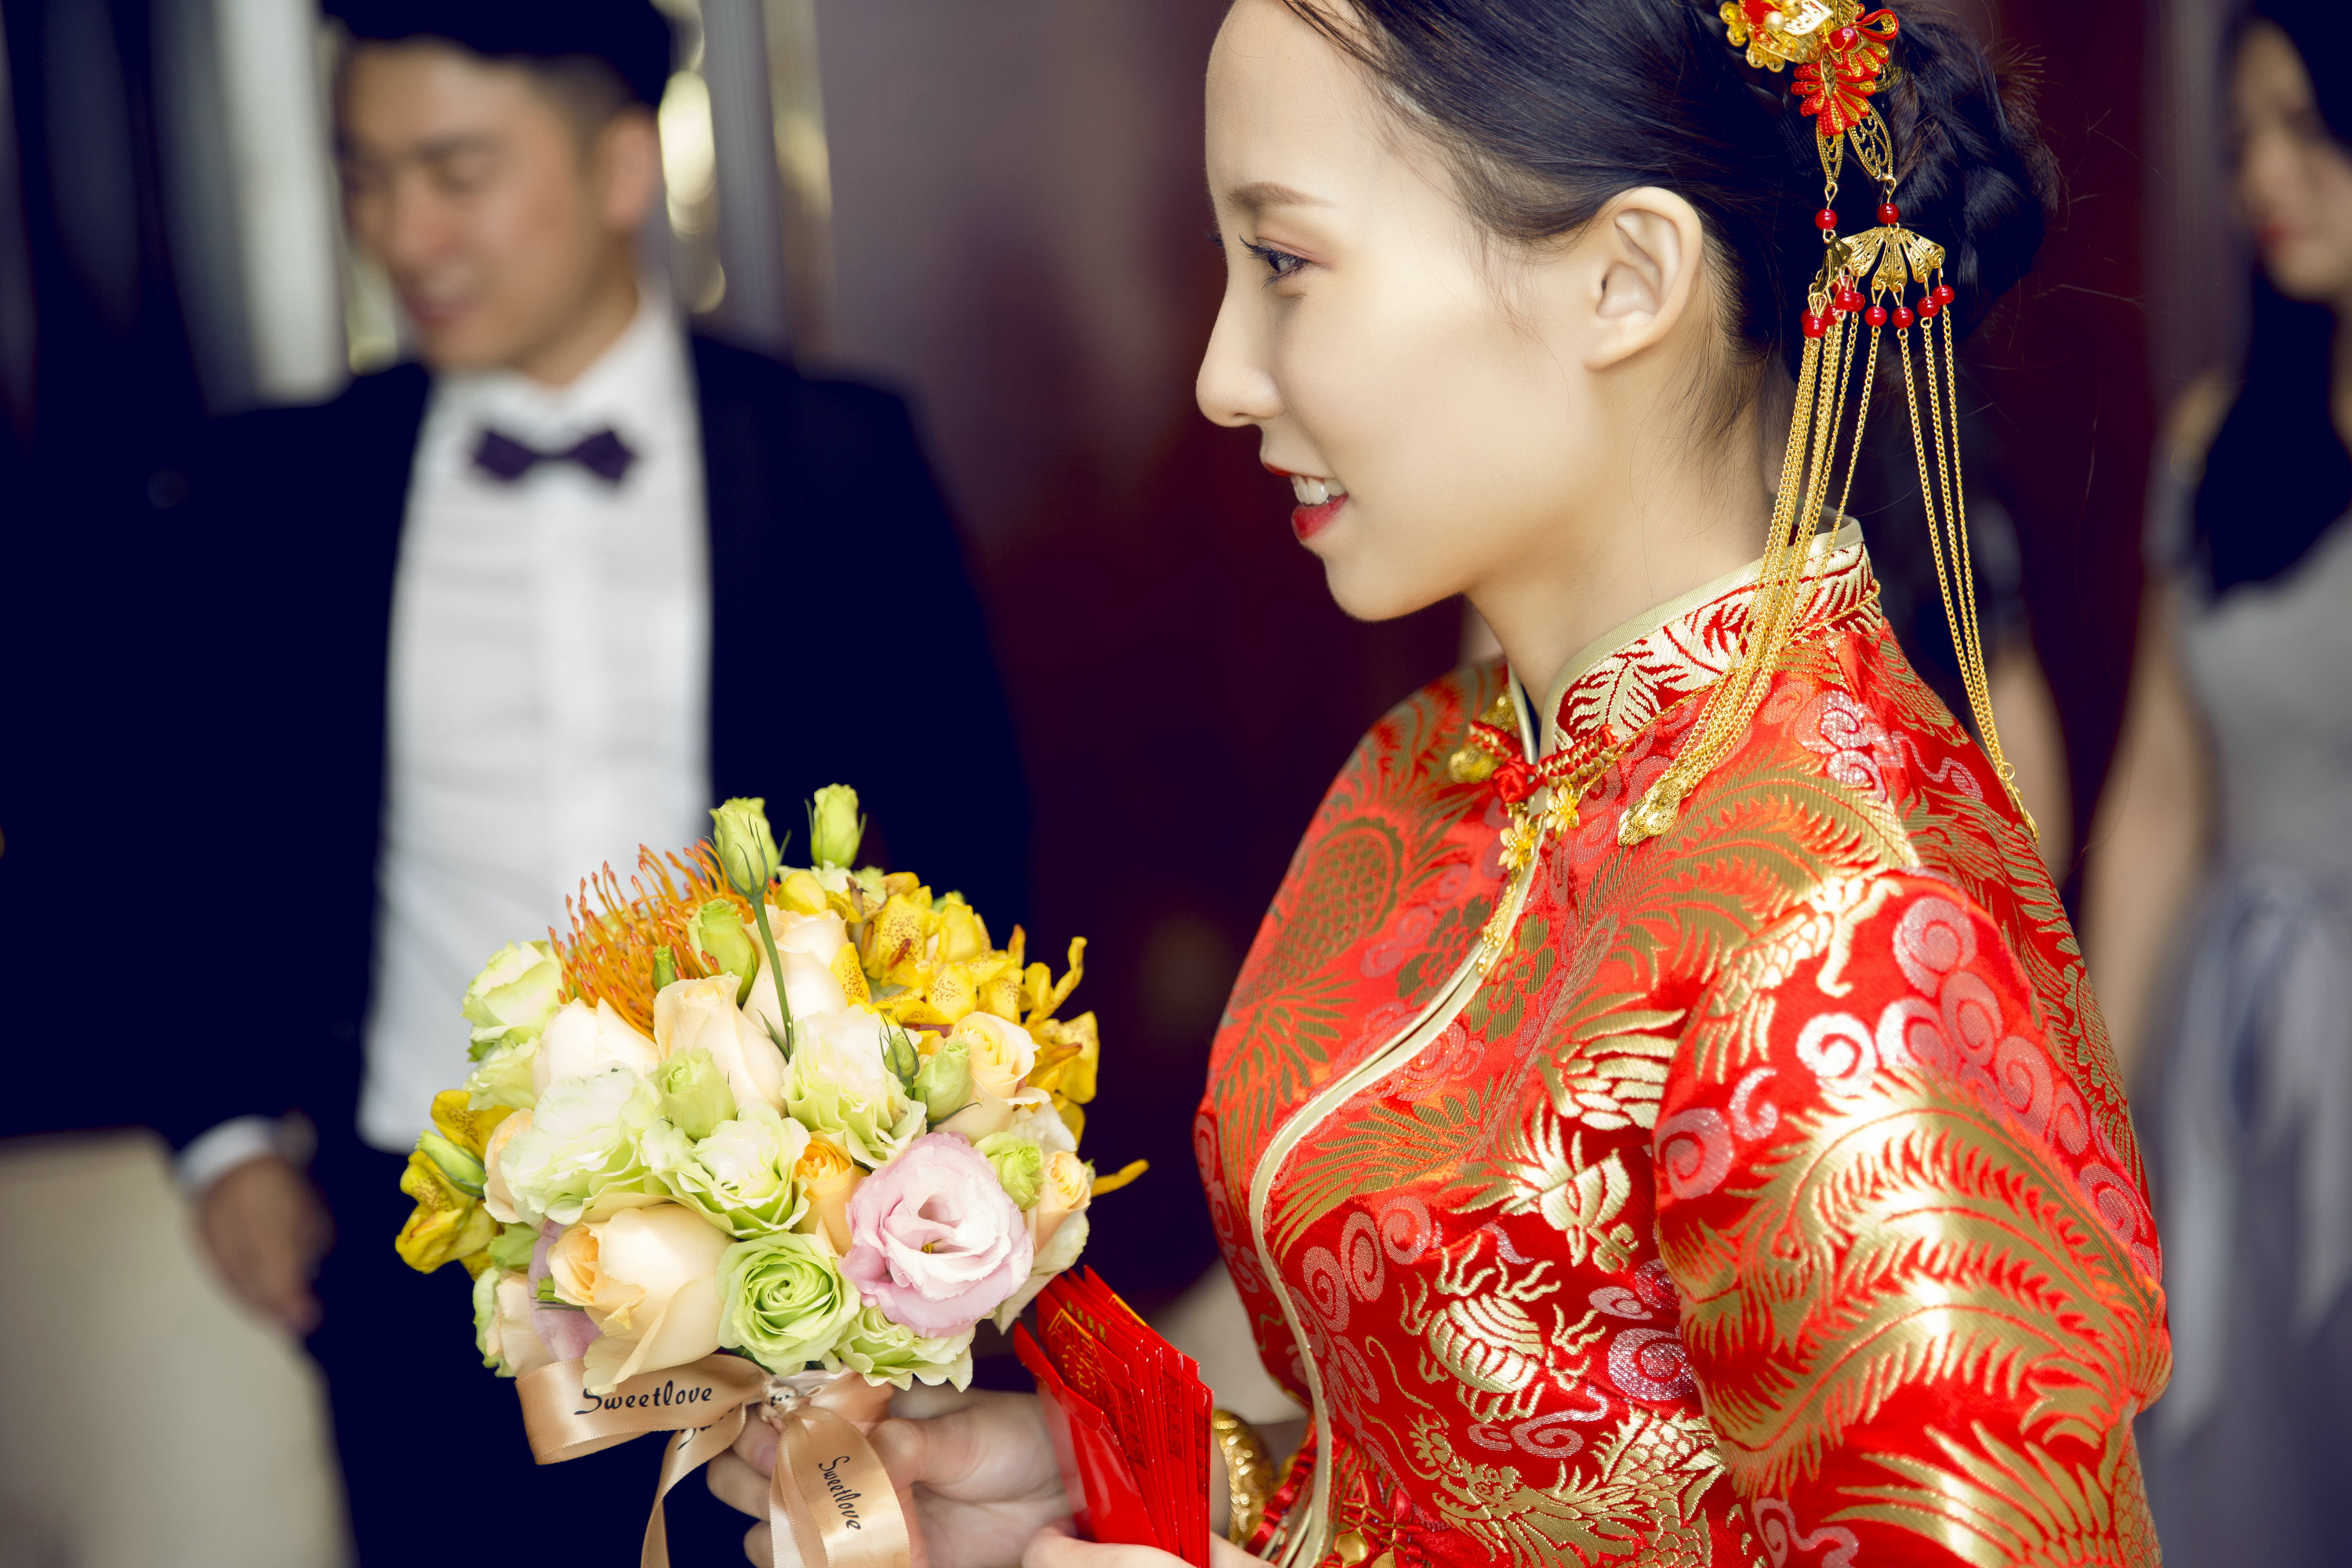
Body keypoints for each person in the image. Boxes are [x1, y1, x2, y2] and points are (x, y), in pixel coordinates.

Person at [710, 1, 2167, 1564]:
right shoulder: (1435, 765)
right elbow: (1452, 1473)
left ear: (1624, 279)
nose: (1221, 375)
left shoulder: (1852, 927)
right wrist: (1117, 1481)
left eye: (1285, 262)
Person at [165, 0, 1028, 1559]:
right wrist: (225, 1134)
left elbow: (972, 835)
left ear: (622, 167)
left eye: (455, 173)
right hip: (416, 1238)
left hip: (771, 1237)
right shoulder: (274, 493)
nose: (400, 232)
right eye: (365, 178)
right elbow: (177, 838)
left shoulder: (836, 456)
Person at [2085, 1, 2352, 1559]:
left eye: (2307, 128)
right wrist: (2093, 1110)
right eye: (2243, 136)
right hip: (2225, 1047)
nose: (2262, 174)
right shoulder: (2217, 440)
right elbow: (2159, 795)